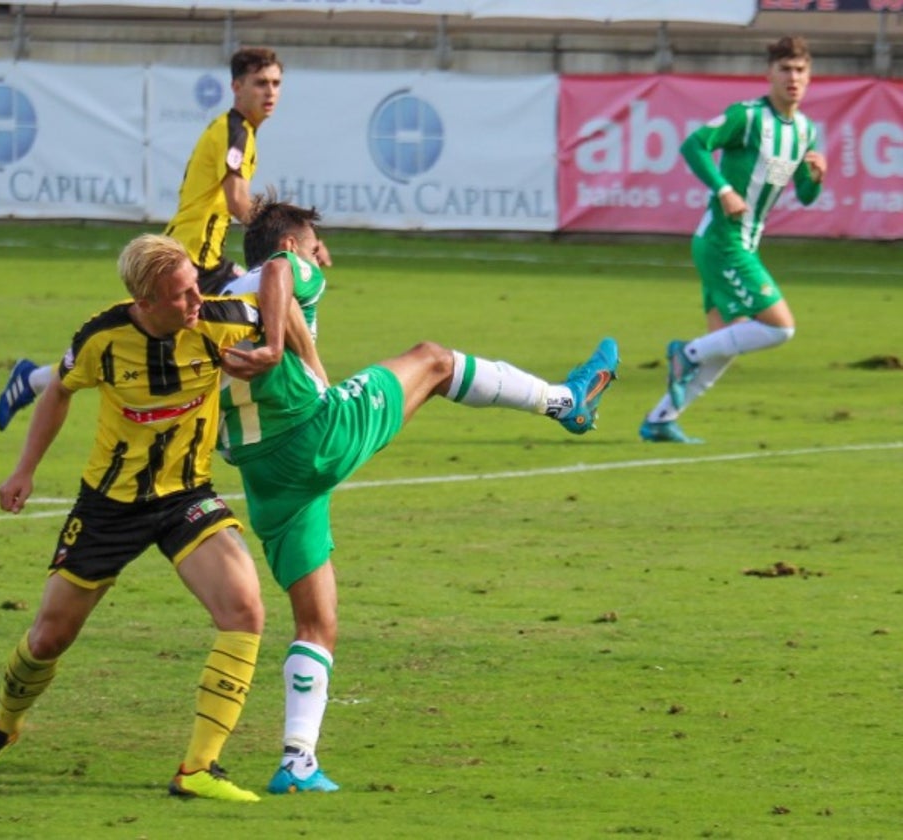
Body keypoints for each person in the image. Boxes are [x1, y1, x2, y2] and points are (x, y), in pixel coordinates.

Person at [216, 195, 621, 794]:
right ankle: (566, 401)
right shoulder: (285, 268)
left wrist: (301, 354)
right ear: (292, 246)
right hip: (315, 437)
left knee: (316, 621)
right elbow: (280, 273)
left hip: (263, 476)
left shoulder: (217, 300)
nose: (322, 260)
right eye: (316, 248)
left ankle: (297, 761)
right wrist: (280, 346)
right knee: (431, 361)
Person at [0, 233, 302, 803]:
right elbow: (58, 392)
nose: (196, 301)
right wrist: (24, 470)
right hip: (109, 507)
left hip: (186, 497)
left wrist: (278, 349)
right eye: (182, 296)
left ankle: (198, 768)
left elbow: (281, 287)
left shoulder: (225, 318)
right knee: (48, 637)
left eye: (195, 287)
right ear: (145, 302)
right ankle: (4, 726)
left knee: (245, 610)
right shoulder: (102, 337)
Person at [0, 47, 303, 433]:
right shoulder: (235, 130)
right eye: (260, 83)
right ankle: (280, 408)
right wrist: (284, 232)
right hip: (190, 263)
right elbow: (239, 202)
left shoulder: (240, 130)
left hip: (207, 260)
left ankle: (36, 379)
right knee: (267, 303)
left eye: (275, 83)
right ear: (236, 87)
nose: (269, 91)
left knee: (273, 302)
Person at [639, 35, 826, 444]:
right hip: (723, 241)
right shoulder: (748, 116)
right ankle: (683, 354)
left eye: (800, 70)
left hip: (741, 243)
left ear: (810, 77)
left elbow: (806, 195)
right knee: (780, 328)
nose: (793, 78)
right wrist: (724, 189)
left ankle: (660, 420)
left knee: (725, 342)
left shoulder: (807, 132)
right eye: (785, 70)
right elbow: (694, 145)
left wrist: (815, 179)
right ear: (769, 75)